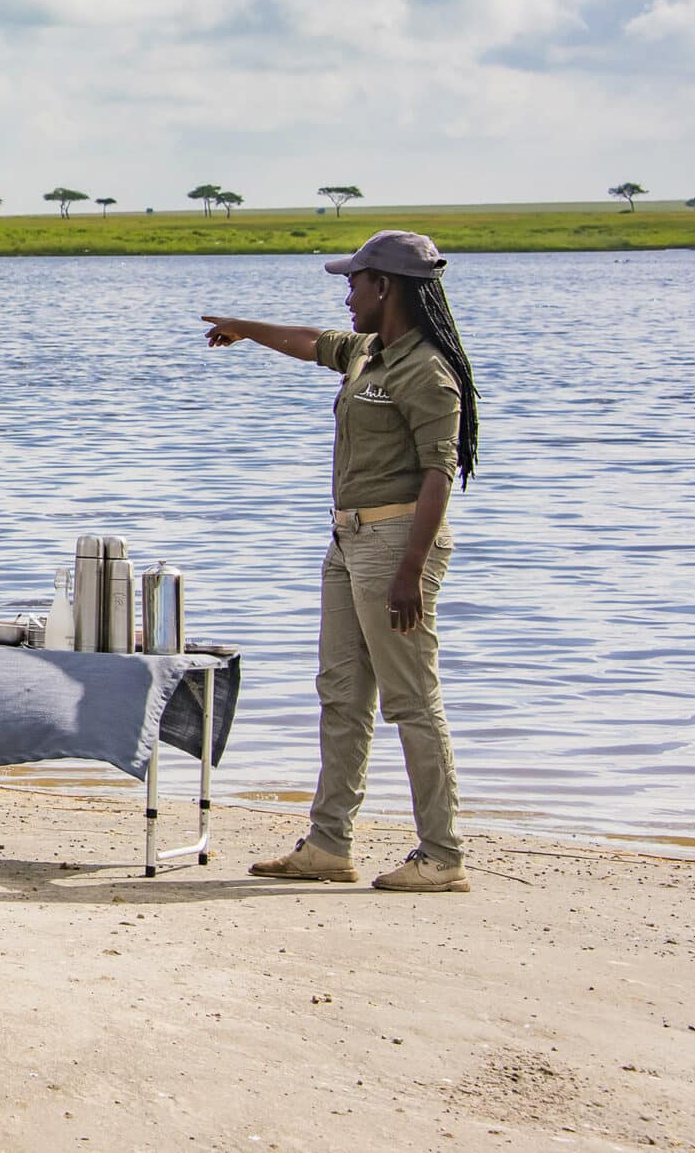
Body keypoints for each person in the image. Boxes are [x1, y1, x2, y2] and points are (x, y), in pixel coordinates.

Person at [201, 230, 481, 893]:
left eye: (354, 282)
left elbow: (441, 472)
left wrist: (411, 567)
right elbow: (311, 340)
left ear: (385, 287)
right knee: (342, 695)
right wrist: (244, 327)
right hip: (348, 541)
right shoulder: (369, 353)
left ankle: (442, 854)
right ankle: (329, 844)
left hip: (396, 544)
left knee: (412, 700)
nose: (347, 293)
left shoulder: (426, 370)